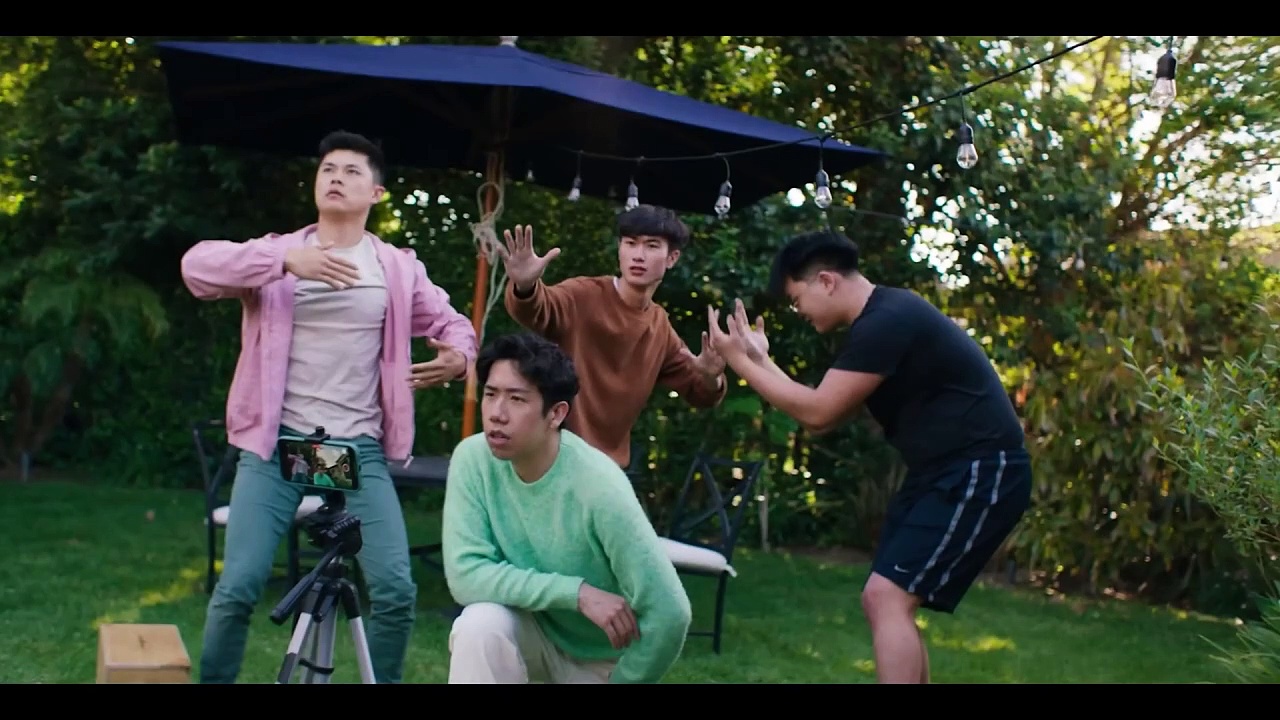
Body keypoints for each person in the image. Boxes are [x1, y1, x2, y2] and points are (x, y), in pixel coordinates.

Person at [180, 129, 478, 684]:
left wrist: (459, 358)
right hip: (278, 448)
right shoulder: (280, 253)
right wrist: (285, 261)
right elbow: (196, 268)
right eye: (328, 169)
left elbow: (453, 323)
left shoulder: (396, 269)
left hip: (353, 450)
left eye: (351, 171)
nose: (336, 177)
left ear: (377, 193)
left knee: (395, 590)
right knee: (237, 586)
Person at [705, 230, 1031, 684]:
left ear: (826, 281)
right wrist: (760, 360)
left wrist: (739, 362)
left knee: (887, 598)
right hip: (941, 472)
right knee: (884, 599)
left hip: (981, 470)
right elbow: (821, 408)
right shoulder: (884, 316)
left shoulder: (887, 321)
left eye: (798, 300)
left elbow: (819, 414)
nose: (800, 312)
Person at [441, 332, 693, 684]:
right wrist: (576, 593)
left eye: (516, 399)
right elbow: (467, 576)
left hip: (603, 659)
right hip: (535, 633)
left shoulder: (599, 485)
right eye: (490, 394)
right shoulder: (473, 460)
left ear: (556, 413)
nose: (497, 414)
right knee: (479, 625)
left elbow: (670, 612)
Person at [498, 205, 727, 469]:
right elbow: (539, 309)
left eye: (652, 246)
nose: (638, 255)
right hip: (554, 456)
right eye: (630, 243)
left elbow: (702, 393)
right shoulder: (584, 294)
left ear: (672, 258)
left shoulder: (659, 326)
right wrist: (525, 285)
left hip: (608, 468)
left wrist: (711, 376)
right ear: (620, 249)